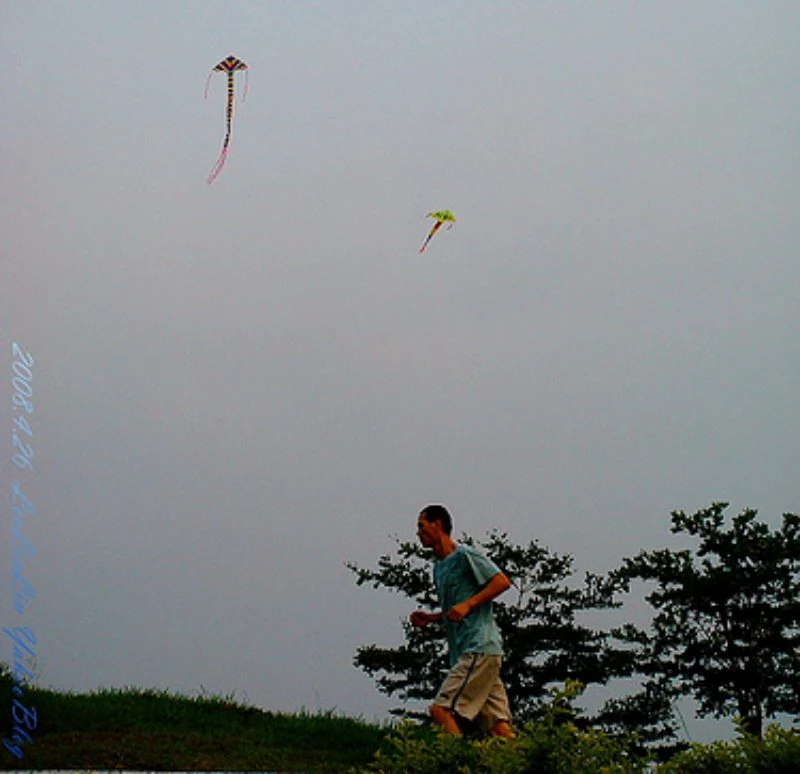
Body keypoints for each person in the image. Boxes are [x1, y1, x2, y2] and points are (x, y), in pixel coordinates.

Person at [410, 504, 515, 738]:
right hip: (475, 652)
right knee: (498, 727)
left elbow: (501, 582)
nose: (418, 533)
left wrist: (469, 604)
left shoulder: (465, 555)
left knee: (440, 709)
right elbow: (455, 610)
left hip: (478, 647)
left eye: (421, 526)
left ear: (437, 524)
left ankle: (456, 761)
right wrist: (432, 617)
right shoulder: (439, 569)